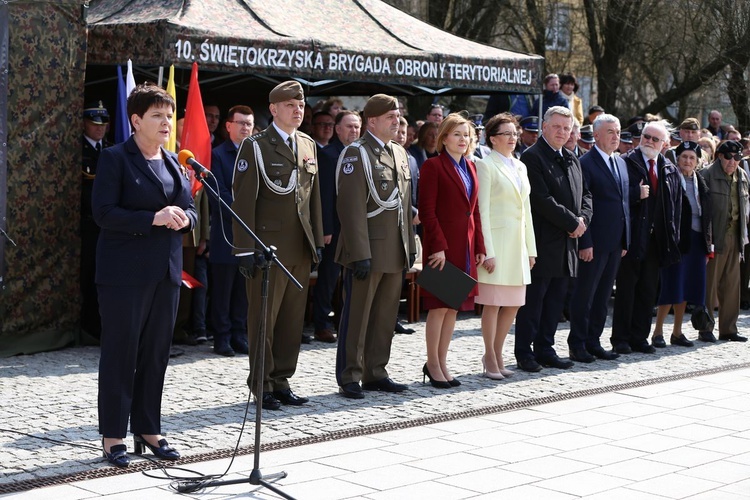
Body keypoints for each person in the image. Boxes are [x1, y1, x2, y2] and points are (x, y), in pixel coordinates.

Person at [93, 83, 196, 467]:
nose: (166, 122)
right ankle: (113, 436)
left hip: (165, 274)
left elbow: (189, 210)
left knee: (155, 355)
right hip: (124, 275)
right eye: (157, 115)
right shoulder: (115, 159)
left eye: (169, 115)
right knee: (122, 354)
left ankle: (149, 429)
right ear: (136, 120)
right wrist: (152, 218)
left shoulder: (173, 163)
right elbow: (103, 213)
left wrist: (187, 219)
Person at [231, 81, 324, 411]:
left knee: (291, 319)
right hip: (266, 248)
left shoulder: (308, 144)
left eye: (300, 106)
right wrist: (244, 249)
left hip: (299, 245)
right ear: (273, 109)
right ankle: (262, 383)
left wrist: (317, 241)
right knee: (264, 319)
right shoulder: (256, 146)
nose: (297, 110)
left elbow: (312, 200)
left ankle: (282, 378)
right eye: (290, 105)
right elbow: (243, 203)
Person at [335, 94, 416, 399]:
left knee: (384, 317)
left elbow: (404, 206)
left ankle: (376, 371)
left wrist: (408, 247)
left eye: (397, 116)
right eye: (390, 117)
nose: (397, 122)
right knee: (358, 315)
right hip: (367, 249)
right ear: (372, 121)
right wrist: (359, 253)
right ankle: (350, 375)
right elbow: (351, 208)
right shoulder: (358, 154)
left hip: (394, 248)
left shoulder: (397, 152)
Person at [514, 106, 592, 372]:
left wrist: (582, 220)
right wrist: (572, 222)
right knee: (534, 302)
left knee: (556, 301)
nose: (562, 132)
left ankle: (545, 348)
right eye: (556, 127)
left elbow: (586, 196)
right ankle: (524, 351)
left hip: (569, 243)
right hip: (543, 241)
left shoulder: (572, 157)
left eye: (566, 128)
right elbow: (540, 199)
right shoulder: (532, 157)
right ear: (544, 127)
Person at [418, 113, 486, 387]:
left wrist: (479, 245)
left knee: (453, 308)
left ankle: (442, 361)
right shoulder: (433, 166)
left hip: (465, 246)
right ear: (444, 137)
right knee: (438, 307)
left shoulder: (470, 167)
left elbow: (475, 211)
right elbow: (427, 211)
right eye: (456, 134)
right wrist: (438, 246)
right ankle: (432, 364)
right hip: (442, 248)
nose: (462, 139)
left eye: (466, 134)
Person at [612, 120, 683, 354]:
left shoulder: (669, 168)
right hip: (632, 238)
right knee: (626, 290)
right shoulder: (625, 162)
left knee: (647, 291)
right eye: (646, 136)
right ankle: (621, 339)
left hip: (656, 241)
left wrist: (673, 238)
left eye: (655, 139)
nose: (649, 142)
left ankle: (639, 338)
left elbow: (675, 207)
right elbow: (616, 199)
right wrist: (635, 194)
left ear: (665, 144)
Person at [475, 113, 535, 379]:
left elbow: (527, 211)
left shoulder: (520, 166)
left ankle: (498, 353)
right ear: (493, 138)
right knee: (493, 303)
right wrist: (488, 250)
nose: (513, 138)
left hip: (517, 246)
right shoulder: (485, 165)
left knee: (512, 304)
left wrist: (531, 249)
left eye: (515, 133)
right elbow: (482, 211)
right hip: (497, 244)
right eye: (507, 134)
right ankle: (489, 356)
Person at [567, 114, 629, 363]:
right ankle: (578, 343)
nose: (616, 136)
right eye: (611, 132)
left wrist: (625, 240)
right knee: (585, 295)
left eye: (618, 131)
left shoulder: (620, 162)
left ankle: (594, 340)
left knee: (603, 297)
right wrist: (586, 242)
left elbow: (623, 204)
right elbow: (583, 204)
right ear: (597, 134)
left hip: (615, 242)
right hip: (594, 242)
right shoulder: (587, 163)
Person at [652, 141, 712, 347]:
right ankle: (658, 331)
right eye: (684, 157)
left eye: (692, 158)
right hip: (677, 241)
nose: (687, 161)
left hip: (697, 242)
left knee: (687, 288)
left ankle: (677, 332)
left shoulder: (701, 182)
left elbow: (707, 216)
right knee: (671, 286)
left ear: (697, 162)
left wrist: (708, 246)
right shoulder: (670, 178)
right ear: (677, 159)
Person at [312, 110, 362, 343]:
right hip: (335, 228)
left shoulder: (360, 153)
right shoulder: (328, 155)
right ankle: (321, 323)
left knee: (350, 277)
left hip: (356, 228)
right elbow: (325, 195)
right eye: (349, 126)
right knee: (329, 277)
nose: (353, 131)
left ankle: (344, 321)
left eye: (356, 127)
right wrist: (326, 229)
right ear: (338, 129)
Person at [208, 105, 254, 357]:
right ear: (228, 126)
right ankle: (221, 337)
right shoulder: (218, 154)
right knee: (223, 289)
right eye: (240, 123)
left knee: (243, 289)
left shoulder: (257, 154)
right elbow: (216, 191)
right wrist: (241, 212)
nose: (245, 128)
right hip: (227, 232)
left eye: (249, 123)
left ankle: (239, 334)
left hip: (251, 235)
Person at [699, 140, 749, 343]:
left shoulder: (742, 176)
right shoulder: (707, 174)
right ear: (719, 156)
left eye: (737, 157)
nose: (732, 161)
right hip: (715, 236)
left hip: (735, 237)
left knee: (732, 286)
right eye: (728, 157)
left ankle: (728, 329)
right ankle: (706, 328)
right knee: (710, 286)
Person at [81, 100, 111, 340]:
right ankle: (89, 326)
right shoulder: (80, 150)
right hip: (89, 225)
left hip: (110, 226)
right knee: (88, 276)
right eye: (94, 124)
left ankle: (101, 326)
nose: (99, 128)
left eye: (103, 124)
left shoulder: (111, 150)